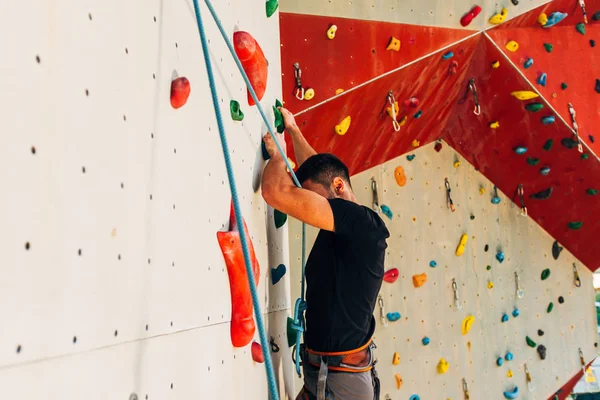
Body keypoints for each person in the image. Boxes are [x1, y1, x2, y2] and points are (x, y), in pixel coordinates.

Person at [261, 107, 390, 400]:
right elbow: (318, 174)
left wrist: (280, 155)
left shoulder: (358, 222)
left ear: (339, 187)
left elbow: (274, 193)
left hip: (340, 379)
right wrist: (293, 130)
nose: (307, 206)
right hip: (330, 373)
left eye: (312, 198)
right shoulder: (350, 223)